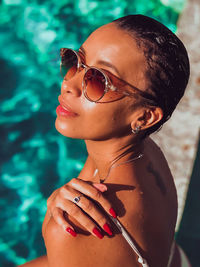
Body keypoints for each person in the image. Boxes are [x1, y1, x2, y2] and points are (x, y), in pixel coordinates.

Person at [19, 14, 191, 267]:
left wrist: (51, 224)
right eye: (76, 62)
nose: (69, 83)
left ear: (144, 117)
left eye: (100, 79)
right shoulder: (143, 152)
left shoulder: (75, 228)